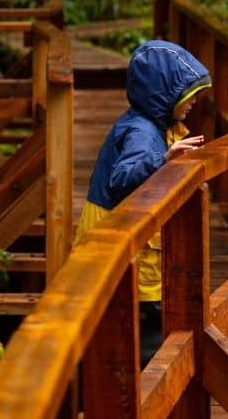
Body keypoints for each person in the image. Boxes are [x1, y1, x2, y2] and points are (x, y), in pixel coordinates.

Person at [73, 41, 211, 367]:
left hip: (123, 254)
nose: (194, 103)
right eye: (188, 96)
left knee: (129, 338)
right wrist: (163, 160)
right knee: (143, 346)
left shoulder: (151, 125)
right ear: (163, 94)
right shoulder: (141, 132)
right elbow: (122, 178)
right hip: (123, 255)